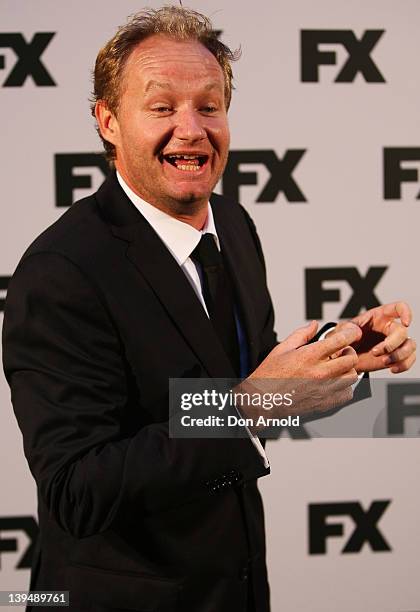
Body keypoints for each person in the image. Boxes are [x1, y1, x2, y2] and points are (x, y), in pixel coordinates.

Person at [2, 6, 415, 612]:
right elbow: (77, 488)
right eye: (162, 107)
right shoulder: (63, 273)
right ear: (108, 121)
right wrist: (251, 406)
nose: (191, 128)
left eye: (209, 105)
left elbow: (226, 380)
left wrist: (346, 348)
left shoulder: (236, 225)